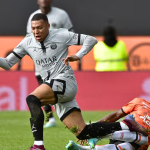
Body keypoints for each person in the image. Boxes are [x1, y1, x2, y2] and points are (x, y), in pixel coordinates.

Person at [0, 14, 147, 150]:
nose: (36, 31)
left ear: (48, 26)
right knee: (83, 132)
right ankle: (131, 130)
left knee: (32, 98)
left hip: (64, 81)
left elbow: (91, 40)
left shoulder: (61, 35)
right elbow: (7, 63)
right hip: (56, 91)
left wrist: (78, 55)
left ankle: (38, 146)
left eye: (40, 27)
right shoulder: (27, 42)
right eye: (33, 28)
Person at [26, 0, 74, 128]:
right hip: (42, 63)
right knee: (42, 88)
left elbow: (70, 34)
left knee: (59, 88)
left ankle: (68, 116)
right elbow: (29, 39)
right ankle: (50, 117)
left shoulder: (61, 14)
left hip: (58, 62)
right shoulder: (33, 16)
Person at [66, 98, 150, 150]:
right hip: (121, 134)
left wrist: (94, 132)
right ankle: (128, 125)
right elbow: (115, 115)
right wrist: (91, 130)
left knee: (140, 141)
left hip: (137, 144)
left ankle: (82, 148)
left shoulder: (139, 102)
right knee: (142, 139)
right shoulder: (140, 102)